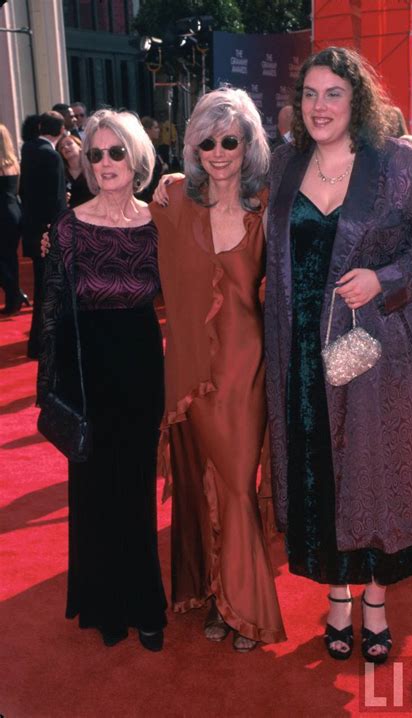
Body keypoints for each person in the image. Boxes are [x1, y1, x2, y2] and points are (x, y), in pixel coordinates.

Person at [264, 47, 412, 664]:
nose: (319, 107)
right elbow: (224, 185)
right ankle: (337, 594)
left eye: (334, 94)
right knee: (320, 468)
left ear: (358, 99)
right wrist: (171, 179)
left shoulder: (400, 162)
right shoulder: (286, 162)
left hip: (375, 349)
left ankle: (374, 599)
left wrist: (386, 277)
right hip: (300, 353)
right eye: (310, 95)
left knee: (371, 472)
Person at [150, 88, 286, 653]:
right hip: (188, 367)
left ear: (250, 142)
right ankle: (214, 594)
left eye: (230, 139)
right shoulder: (173, 198)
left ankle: (245, 607)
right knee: (199, 478)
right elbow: (123, 225)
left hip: (244, 365)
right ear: (192, 145)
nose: (218, 151)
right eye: (206, 140)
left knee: (234, 483)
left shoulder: (268, 205)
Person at [37, 109, 167, 651]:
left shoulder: (160, 223)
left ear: (136, 157)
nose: (107, 162)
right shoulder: (66, 229)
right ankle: (106, 603)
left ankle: (146, 603)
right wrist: (52, 392)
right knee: (95, 489)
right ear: (85, 163)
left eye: (117, 152)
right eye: (95, 154)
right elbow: (48, 314)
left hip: (141, 363)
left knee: (136, 488)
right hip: (87, 368)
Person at [20, 111, 67, 359]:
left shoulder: (28, 150)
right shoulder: (51, 156)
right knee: (50, 291)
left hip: (33, 229)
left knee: (43, 289)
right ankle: (43, 344)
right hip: (48, 234)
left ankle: (38, 344)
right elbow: (56, 201)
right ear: (61, 131)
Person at [0, 124, 28, 315]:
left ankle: (15, 295)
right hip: (14, 212)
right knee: (9, 258)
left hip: (2, 214)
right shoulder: (14, 163)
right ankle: (14, 298)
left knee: (4, 259)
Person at [56, 133, 94, 208]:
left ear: (80, 146)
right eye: (62, 147)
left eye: (69, 143)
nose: (66, 147)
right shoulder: (61, 174)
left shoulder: (92, 169)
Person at [137, 117, 165, 203]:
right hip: (148, 193)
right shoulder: (143, 148)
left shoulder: (152, 147)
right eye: (155, 127)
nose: (158, 130)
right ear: (148, 130)